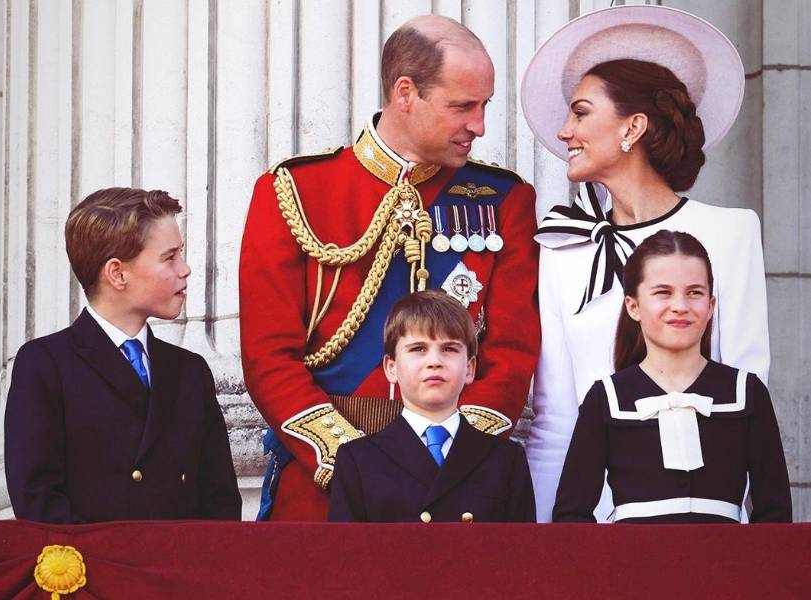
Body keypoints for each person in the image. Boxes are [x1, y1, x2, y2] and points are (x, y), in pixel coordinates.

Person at [240, 15, 540, 520]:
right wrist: (356, 463)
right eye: (463, 106)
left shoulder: (503, 199)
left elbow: (510, 355)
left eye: (485, 105)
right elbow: (268, 358)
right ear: (405, 93)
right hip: (325, 484)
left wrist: (450, 457)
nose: (480, 126)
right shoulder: (294, 191)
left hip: (457, 484)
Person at [520, 5, 770, 521]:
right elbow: (555, 419)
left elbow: (745, 403)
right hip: (594, 529)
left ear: (633, 126)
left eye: (581, 112)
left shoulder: (731, 233)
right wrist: (552, 540)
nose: (565, 131)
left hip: (702, 524)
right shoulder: (562, 246)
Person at [4, 187, 242, 523]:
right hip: (94, 570)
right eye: (169, 257)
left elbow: (220, 503)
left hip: (182, 569)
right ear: (117, 273)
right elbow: (38, 500)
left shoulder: (190, 371)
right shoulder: (46, 364)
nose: (185, 269)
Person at [553, 231, 791, 523]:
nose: (680, 306)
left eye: (695, 292)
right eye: (663, 292)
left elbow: (775, 513)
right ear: (633, 306)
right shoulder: (606, 397)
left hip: (727, 565)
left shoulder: (746, 391)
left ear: (711, 306)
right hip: (632, 565)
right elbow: (571, 514)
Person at [329, 290, 535, 522]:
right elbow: (346, 555)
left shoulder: (506, 460)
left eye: (449, 349)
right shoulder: (358, 460)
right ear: (391, 368)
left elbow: (522, 554)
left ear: (469, 368)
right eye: (418, 349)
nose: (434, 362)